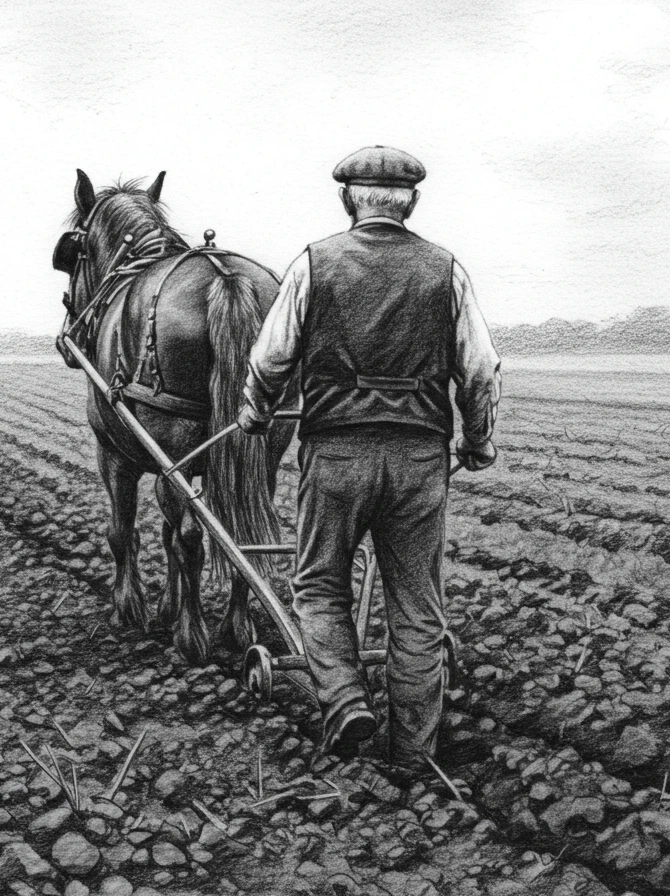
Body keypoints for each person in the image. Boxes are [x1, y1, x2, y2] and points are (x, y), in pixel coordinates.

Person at [238, 145, 501, 770]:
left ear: (346, 200)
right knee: (417, 605)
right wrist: (477, 440)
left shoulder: (313, 263)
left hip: (337, 454)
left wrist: (255, 411)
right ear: (413, 203)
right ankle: (413, 751)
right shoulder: (446, 270)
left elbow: (270, 358)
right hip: (419, 458)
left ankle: (345, 700)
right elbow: (480, 369)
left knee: (319, 583)